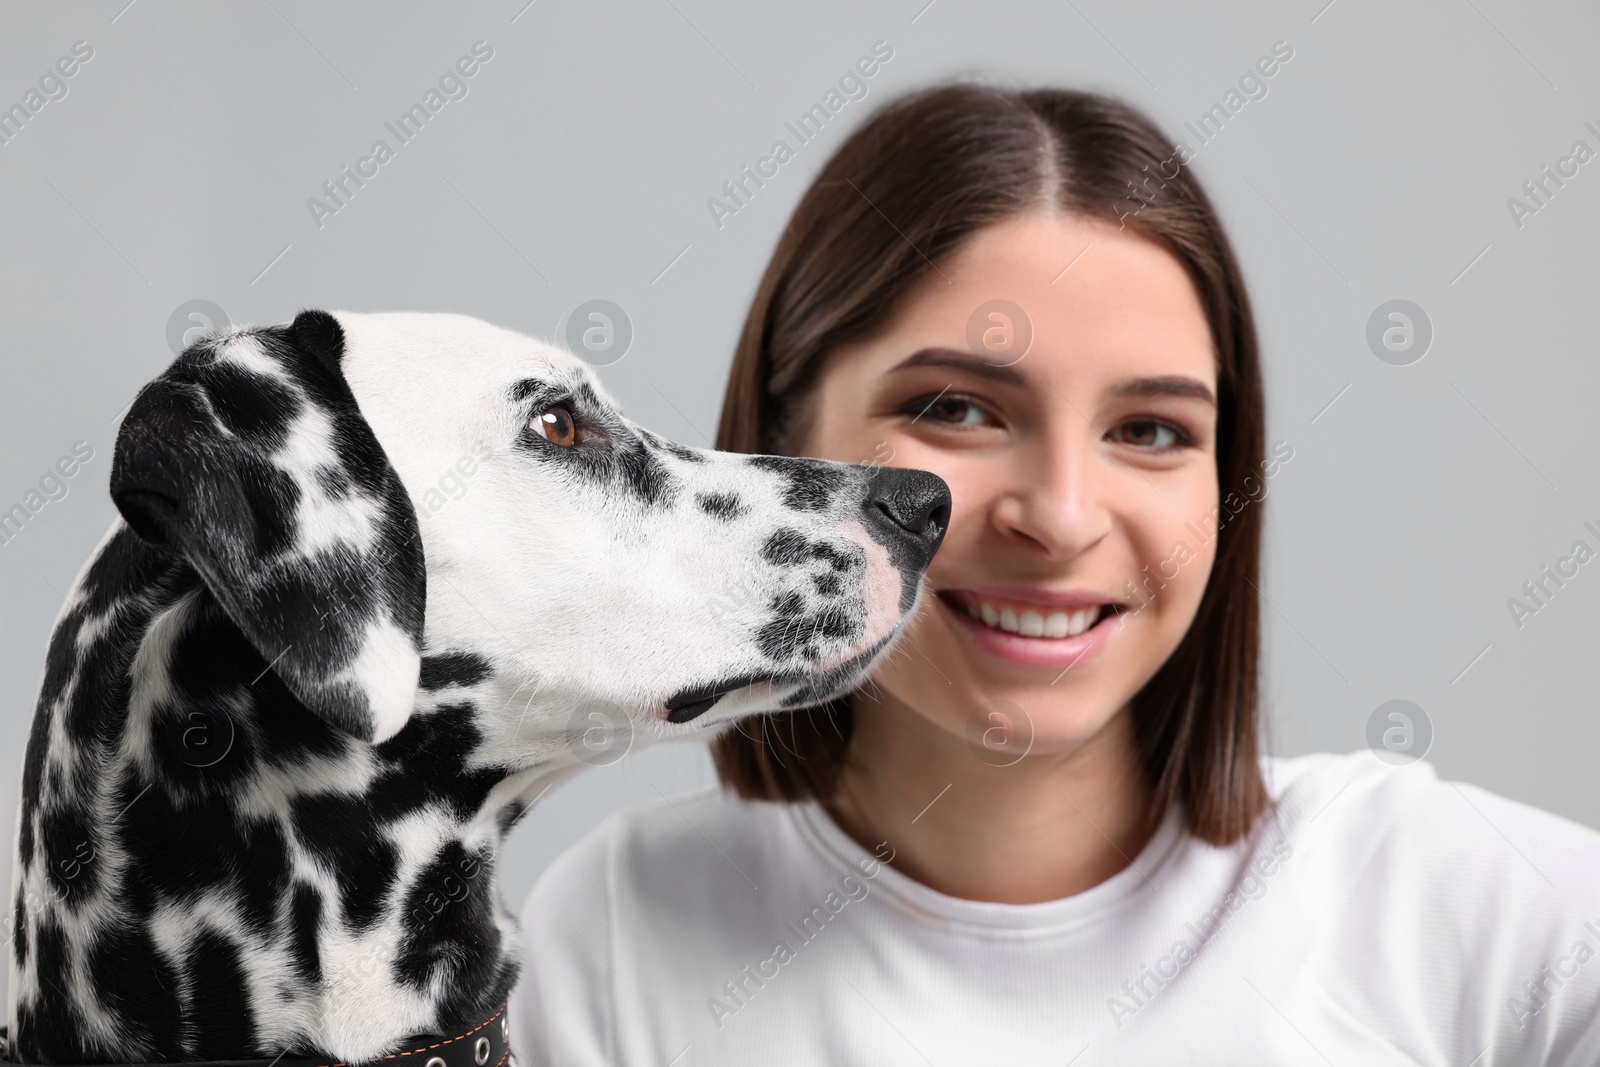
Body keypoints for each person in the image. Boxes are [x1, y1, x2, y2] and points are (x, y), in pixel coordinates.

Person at [509, 84, 1600, 1065]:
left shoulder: (1441, 903)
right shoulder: (613, 936)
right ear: (787, 438)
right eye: (955, 409)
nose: (1063, 516)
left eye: (1151, 428)